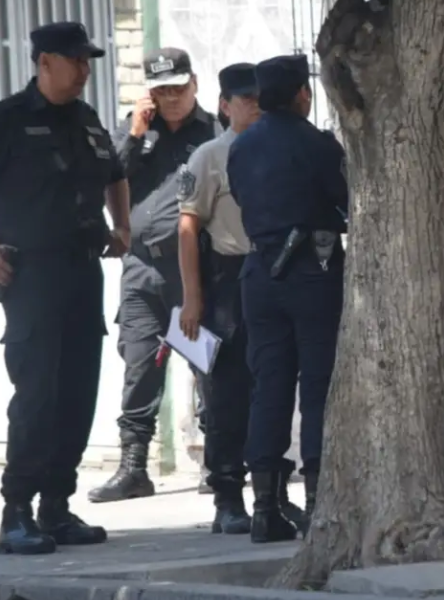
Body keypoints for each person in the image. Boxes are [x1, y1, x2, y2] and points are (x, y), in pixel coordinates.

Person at [0, 21, 131, 555]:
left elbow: (115, 173)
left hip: (81, 270)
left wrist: (122, 226)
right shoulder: (6, 120)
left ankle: (56, 507)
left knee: (77, 394)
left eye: (89, 60)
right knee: (38, 396)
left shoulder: (87, 119)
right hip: (31, 275)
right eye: (76, 60)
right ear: (45, 61)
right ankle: (17, 512)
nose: (85, 70)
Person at [90, 47, 221, 504]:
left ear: (195, 85)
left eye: (178, 88)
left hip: (194, 267)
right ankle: (134, 468)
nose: (172, 99)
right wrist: (135, 134)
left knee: (207, 363)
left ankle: (218, 463)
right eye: (162, 90)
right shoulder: (134, 132)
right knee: (140, 365)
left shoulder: (214, 133)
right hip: (141, 267)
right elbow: (105, 177)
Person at [227, 54, 347, 544]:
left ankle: (264, 507)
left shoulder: (242, 145)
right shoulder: (317, 143)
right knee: (318, 384)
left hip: (259, 271)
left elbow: (241, 198)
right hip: (312, 271)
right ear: (302, 93)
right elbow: (343, 199)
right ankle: (318, 503)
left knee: (269, 385)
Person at [176, 63, 262, 535]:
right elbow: (187, 229)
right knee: (226, 394)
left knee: (270, 391)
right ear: (225, 105)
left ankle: (270, 492)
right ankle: (228, 496)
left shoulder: (280, 146)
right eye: (243, 98)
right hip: (228, 279)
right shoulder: (209, 156)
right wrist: (193, 299)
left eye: (258, 97)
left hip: (276, 273)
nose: (253, 105)